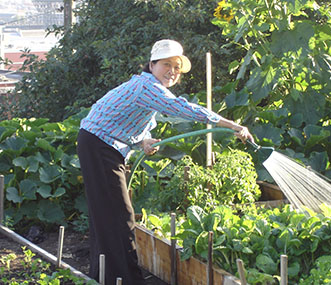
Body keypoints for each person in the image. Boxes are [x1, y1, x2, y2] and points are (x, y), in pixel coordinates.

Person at [76, 39, 254, 284]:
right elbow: (183, 108)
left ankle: (106, 276)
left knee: (107, 213)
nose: (172, 71)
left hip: (100, 143)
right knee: (120, 214)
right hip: (99, 146)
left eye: (177, 67)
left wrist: (142, 142)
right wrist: (232, 125)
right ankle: (126, 279)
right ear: (152, 64)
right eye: (166, 64)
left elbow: (122, 121)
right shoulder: (148, 87)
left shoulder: (145, 87)